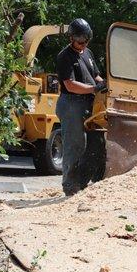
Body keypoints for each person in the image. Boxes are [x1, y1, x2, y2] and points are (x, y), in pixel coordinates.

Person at [56, 18, 106, 196]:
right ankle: (70, 186)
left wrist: (105, 84)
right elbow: (69, 84)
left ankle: (82, 183)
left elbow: (96, 76)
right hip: (71, 103)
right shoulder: (65, 56)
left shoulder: (88, 53)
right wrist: (94, 88)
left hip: (89, 103)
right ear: (71, 38)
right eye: (79, 41)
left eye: (86, 41)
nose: (82, 44)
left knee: (97, 143)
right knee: (74, 145)